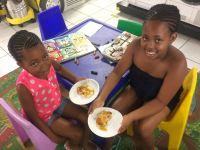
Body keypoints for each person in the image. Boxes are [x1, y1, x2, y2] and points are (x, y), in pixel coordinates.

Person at [89, 4, 187, 150]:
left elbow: (160, 101)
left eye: (158, 40)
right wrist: (101, 98)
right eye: (145, 37)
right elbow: (117, 72)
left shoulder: (177, 63)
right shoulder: (135, 46)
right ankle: (107, 146)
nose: (149, 46)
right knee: (114, 110)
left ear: (172, 38)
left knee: (143, 129)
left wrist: (131, 117)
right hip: (138, 87)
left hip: (161, 99)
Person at [8, 30, 97, 150]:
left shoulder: (48, 62)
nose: (43, 65)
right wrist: (51, 135)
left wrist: (75, 78)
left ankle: (85, 145)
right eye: (34, 64)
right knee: (78, 134)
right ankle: (72, 145)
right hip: (44, 116)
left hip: (57, 102)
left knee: (87, 118)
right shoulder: (23, 86)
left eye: (44, 56)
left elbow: (59, 69)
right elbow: (33, 116)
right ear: (21, 65)